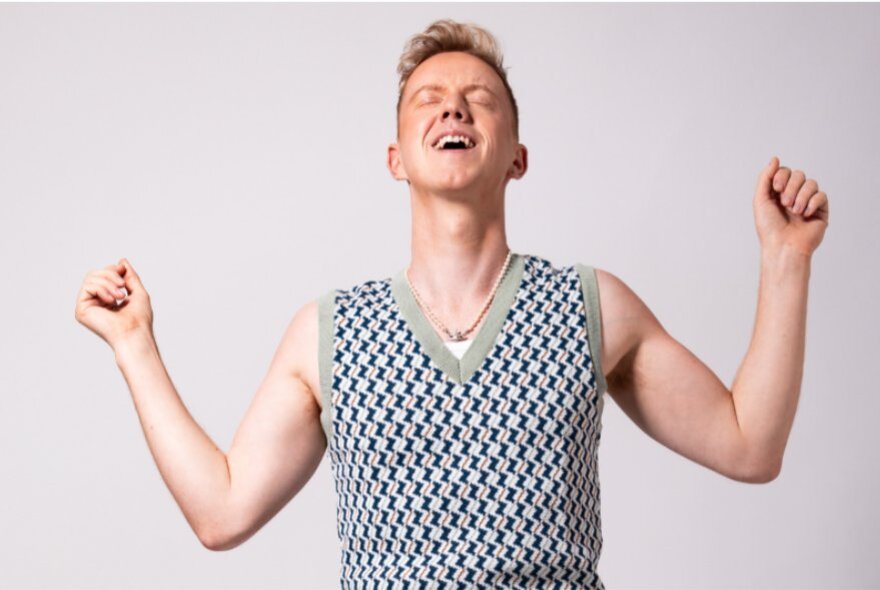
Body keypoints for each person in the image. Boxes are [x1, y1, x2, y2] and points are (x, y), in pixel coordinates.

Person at [74, 18, 830, 589]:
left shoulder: (591, 306)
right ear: (396, 157)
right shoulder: (329, 333)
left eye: (480, 102)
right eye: (428, 101)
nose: (454, 111)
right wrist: (135, 346)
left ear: (517, 157)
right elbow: (223, 512)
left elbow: (749, 445)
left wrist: (785, 260)